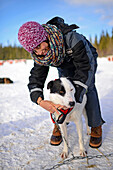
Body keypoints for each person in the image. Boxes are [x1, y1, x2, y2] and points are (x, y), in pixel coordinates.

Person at [18, 16, 105, 148]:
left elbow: (85, 67)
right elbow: (36, 77)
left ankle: (95, 125)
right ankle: (60, 123)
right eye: (35, 50)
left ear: (44, 37)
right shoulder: (41, 56)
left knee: (87, 88)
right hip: (64, 64)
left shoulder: (72, 38)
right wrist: (40, 101)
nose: (40, 52)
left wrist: (75, 95)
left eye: (40, 46)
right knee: (62, 89)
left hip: (85, 60)